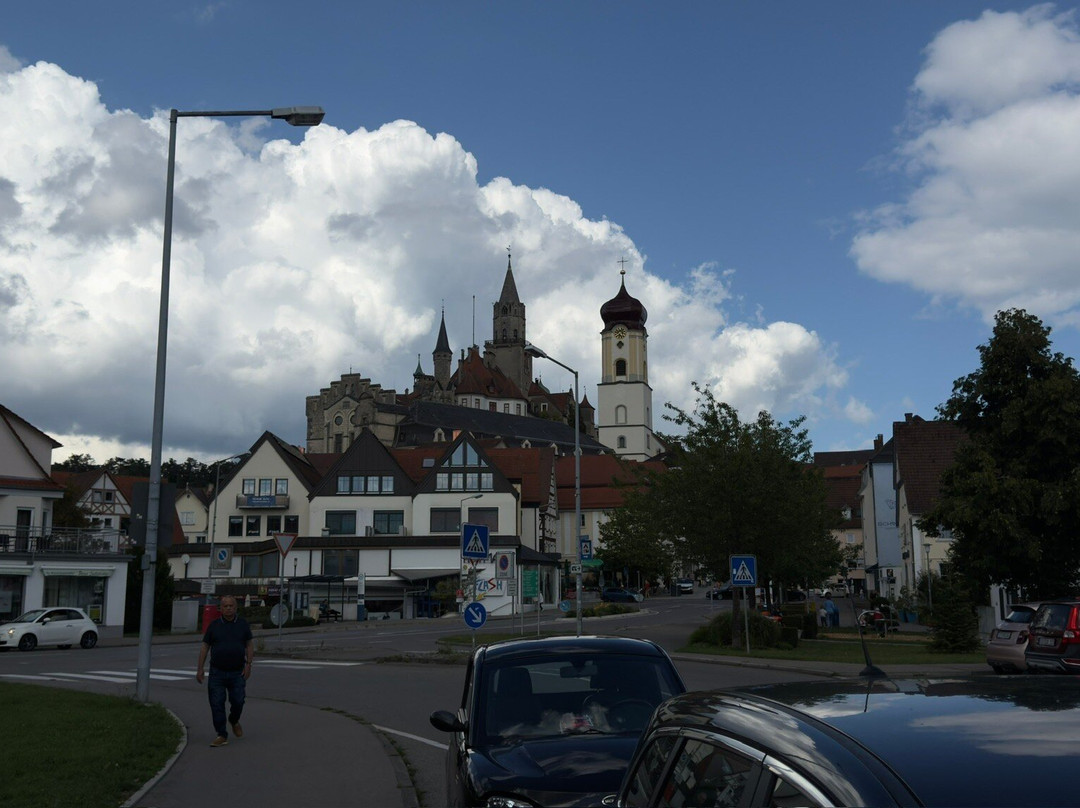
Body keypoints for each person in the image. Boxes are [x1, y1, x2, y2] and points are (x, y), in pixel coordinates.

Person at [196, 595, 253, 748]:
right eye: (225, 606)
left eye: (231, 606)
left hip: (237, 672)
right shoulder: (214, 626)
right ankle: (221, 734)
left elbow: (249, 645)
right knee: (216, 703)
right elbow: (205, 647)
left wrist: (248, 664)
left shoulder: (242, 625)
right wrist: (200, 668)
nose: (228, 608)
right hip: (217, 673)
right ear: (220, 608)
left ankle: (234, 720)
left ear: (236, 607)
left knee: (238, 701)